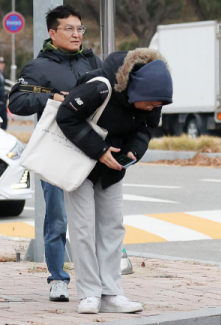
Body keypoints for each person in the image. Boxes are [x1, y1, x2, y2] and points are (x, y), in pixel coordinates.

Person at [56, 48, 173, 314]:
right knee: (83, 228)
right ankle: (89, 293)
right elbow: (66, 116)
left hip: (113, 167)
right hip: (80, 163)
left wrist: (135, 150)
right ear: (135, 91)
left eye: (158, 106)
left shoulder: (153, 99)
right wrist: (99, 150)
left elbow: (146, 128)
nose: (154, 109)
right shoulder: (100, 87)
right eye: (150, 104)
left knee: (113, 228)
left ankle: (111, 293)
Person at [8, 5, 102, 302]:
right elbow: (18, 101)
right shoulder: (39, 67)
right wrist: (51, 96)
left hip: (93, 150)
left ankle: (99, 281)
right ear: (53, 33)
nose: (77, 34)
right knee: (57, 219)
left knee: (97, 219)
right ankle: (58, 279)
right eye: (70, 29)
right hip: (56, 153)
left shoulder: (91, 61)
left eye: (80, 29)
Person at [0, 57, 7, 130]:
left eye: (3, 63)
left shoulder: (2, 74)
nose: (2, 65)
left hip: (2, 102)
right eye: (0, 63)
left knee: (4, 122)